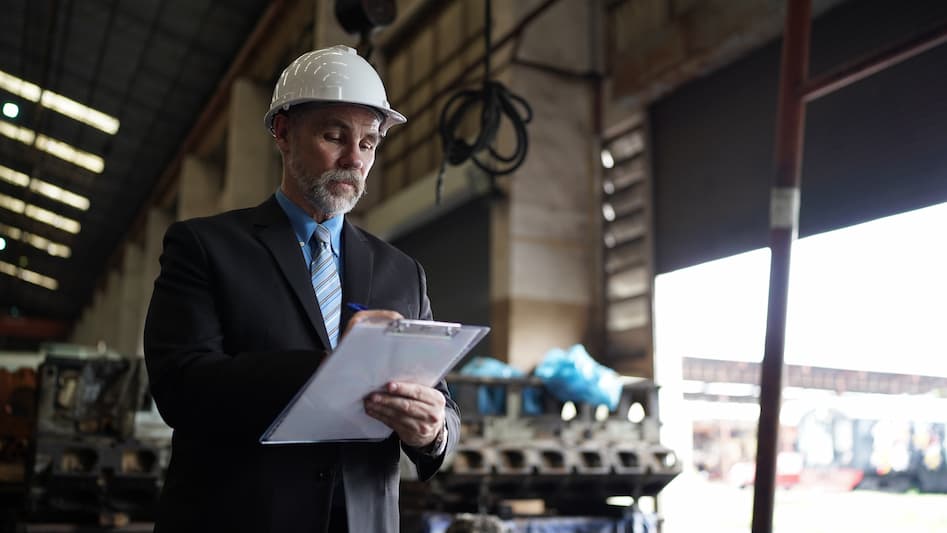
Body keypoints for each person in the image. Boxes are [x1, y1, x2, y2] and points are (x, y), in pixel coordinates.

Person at [143, 45, 459, 533]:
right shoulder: (205, 247)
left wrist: (434, 433)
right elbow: (181, 387)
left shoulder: (402, 271)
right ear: (283, 132)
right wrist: (334, 368)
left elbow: (439, 399)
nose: (354, 159)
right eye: (335, 136)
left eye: (370, 143)